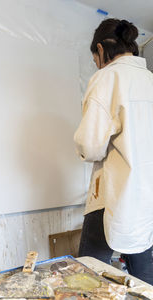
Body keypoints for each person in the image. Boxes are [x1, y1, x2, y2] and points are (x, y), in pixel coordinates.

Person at [74, 18, 153, 285]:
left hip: (113, 194)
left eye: (95, 58)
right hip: (147, 198)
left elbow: (90, 145)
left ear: (100, 49)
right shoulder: (150, 79)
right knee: (144, 279)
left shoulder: (107, 78)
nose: (96, 63)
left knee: (87, 273)